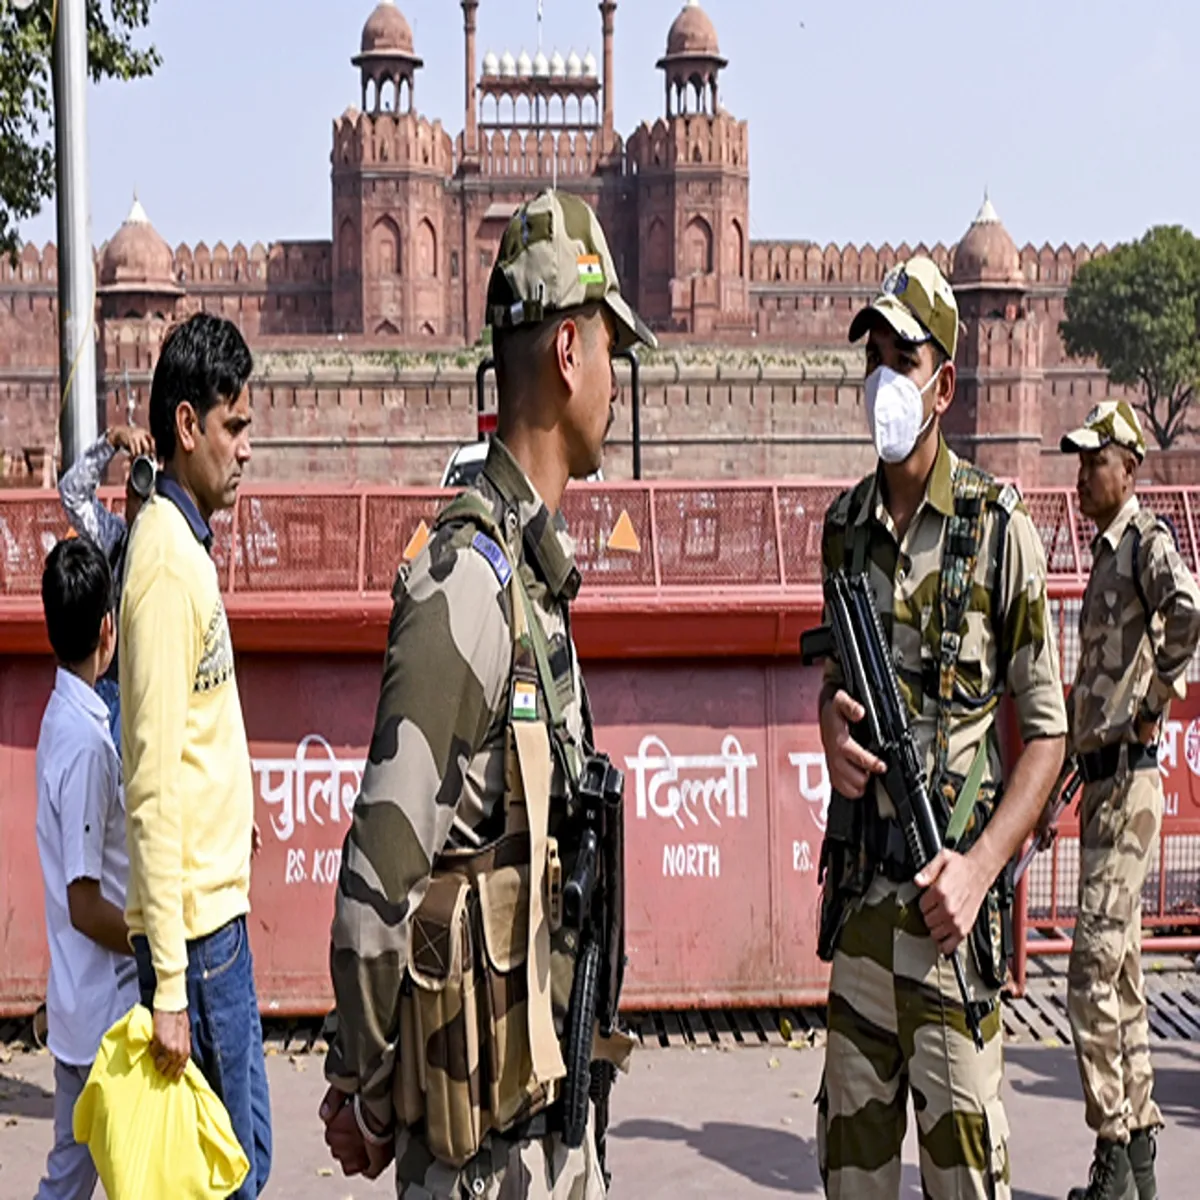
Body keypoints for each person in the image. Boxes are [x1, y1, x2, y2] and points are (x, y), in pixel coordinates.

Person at [319, 190, 655, 1198]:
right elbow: (382, 867)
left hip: (546, 1123)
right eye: (610, 353)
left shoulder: (527, 573)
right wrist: (363, 1089)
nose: (616, 385)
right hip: (479, 1155)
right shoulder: (467, 579)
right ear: (567, 352)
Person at [814, 256, 1068, 1200]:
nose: (881, 380)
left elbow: (1046, 734)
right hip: (861, 918)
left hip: (949, 923)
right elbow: (836, 690)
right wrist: (830, 735)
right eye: (870, 358)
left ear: (945, 384)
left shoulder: (1000, 531)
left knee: (966, 1185)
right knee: (853, 1183)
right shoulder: (843, 530)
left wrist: (982, 869)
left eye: (901, 359)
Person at [119, 312, 271, 1198]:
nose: (245, 449)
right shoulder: (165, 567)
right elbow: (149, 780)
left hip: (216, 915)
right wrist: (170, 988)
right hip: (198, 939)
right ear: (187, 427)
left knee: (239, 1161)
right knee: (225, 1178)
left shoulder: (184, 549)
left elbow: (194, 746)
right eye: (234, 426)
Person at [1056, 401, 1200, 1200]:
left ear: (1130, 468)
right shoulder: (1110, 555)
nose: (1081, 477)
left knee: (1086, 973)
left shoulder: (1145, 544)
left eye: (1094, 461)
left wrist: (1152, 706)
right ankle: (1140, 1157)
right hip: (1105, 781)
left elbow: (1190, 612)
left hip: (1130, 777)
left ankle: (1112, 1151)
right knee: (1124, 976)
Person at [35, 537, 139, 1200]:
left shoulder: (64, 719)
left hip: (86, 1007)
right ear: (109, 628)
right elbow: (83, 900)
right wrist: (155, 941)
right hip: (106, 1013)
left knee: (72, 1174)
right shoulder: (86, 747)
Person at [57, 423, 157, 748]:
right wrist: (112, 440)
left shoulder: (174, 555)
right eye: (132, 495)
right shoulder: (113, 538)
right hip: (105, 691)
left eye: (146, 500)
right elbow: (72, 493)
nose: (136, 508)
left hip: (147, 698)